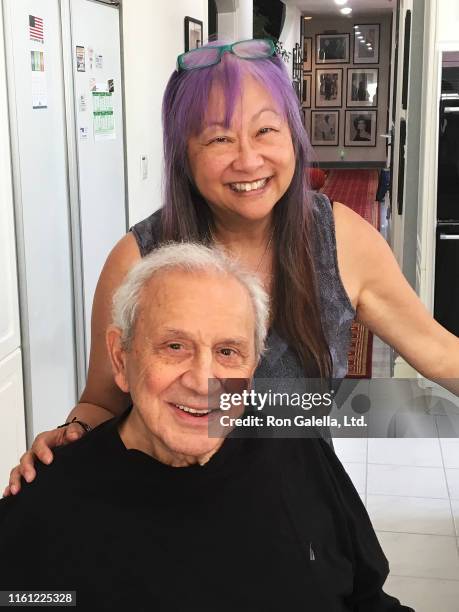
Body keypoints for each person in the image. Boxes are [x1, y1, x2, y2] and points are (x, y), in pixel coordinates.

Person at [4, 38, 459, 496]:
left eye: (265, 131)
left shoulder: (340, 239)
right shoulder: (137, 259)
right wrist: (70, 437)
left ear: (293, 136)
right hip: (169, 510)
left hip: (297, 510)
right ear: (185, 153)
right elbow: (101, 402)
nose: (248, 159)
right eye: (219, 137)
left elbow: (440, 354)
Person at [0, 243, 414, 611]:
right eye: (174, 346)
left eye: (228, 351)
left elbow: (368, 599)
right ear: (121, 358)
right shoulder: (47, 501)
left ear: (253, 369)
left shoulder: (298, 448)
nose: (203, 381)